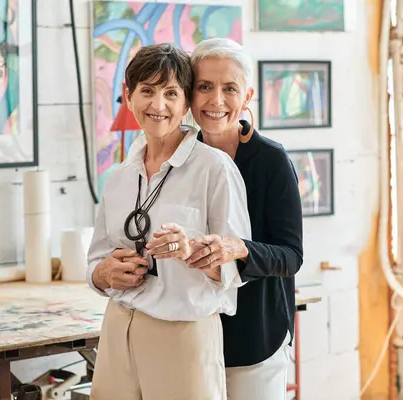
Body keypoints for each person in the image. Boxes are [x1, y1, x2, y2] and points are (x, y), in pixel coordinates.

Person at [86, 43, 251, 400]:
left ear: (185, 103)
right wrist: (104, 273)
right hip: (117, 329)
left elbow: (235, 268)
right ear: (129, 97)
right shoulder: (118, 177)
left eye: (170, 93)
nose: (157, 106)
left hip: (182, 334)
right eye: (146, 91)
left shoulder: (215, 169)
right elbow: (95, 261)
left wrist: (192, 250)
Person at [185, 38, 304, 400]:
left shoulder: (271, 161)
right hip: (193, 334)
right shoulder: (182, 158)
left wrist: (239, 249)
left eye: (229, 88)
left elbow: (291, 256)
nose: (215, 100)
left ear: (247, 96)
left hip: (256, 336)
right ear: (190, 94)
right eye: (204, 87)